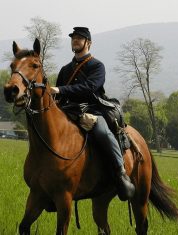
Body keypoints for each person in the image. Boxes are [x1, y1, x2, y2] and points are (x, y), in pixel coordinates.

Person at [50, 27, 135, 201]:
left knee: (103, 131)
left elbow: (90, 88)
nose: (75, 40)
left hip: (92, 110)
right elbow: (58, 96)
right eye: (73, 38)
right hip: (68, 111)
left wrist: (60, 89)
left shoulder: (97, 66)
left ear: (88, 43)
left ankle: (120, 174)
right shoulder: (65, 69)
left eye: (79, 38)